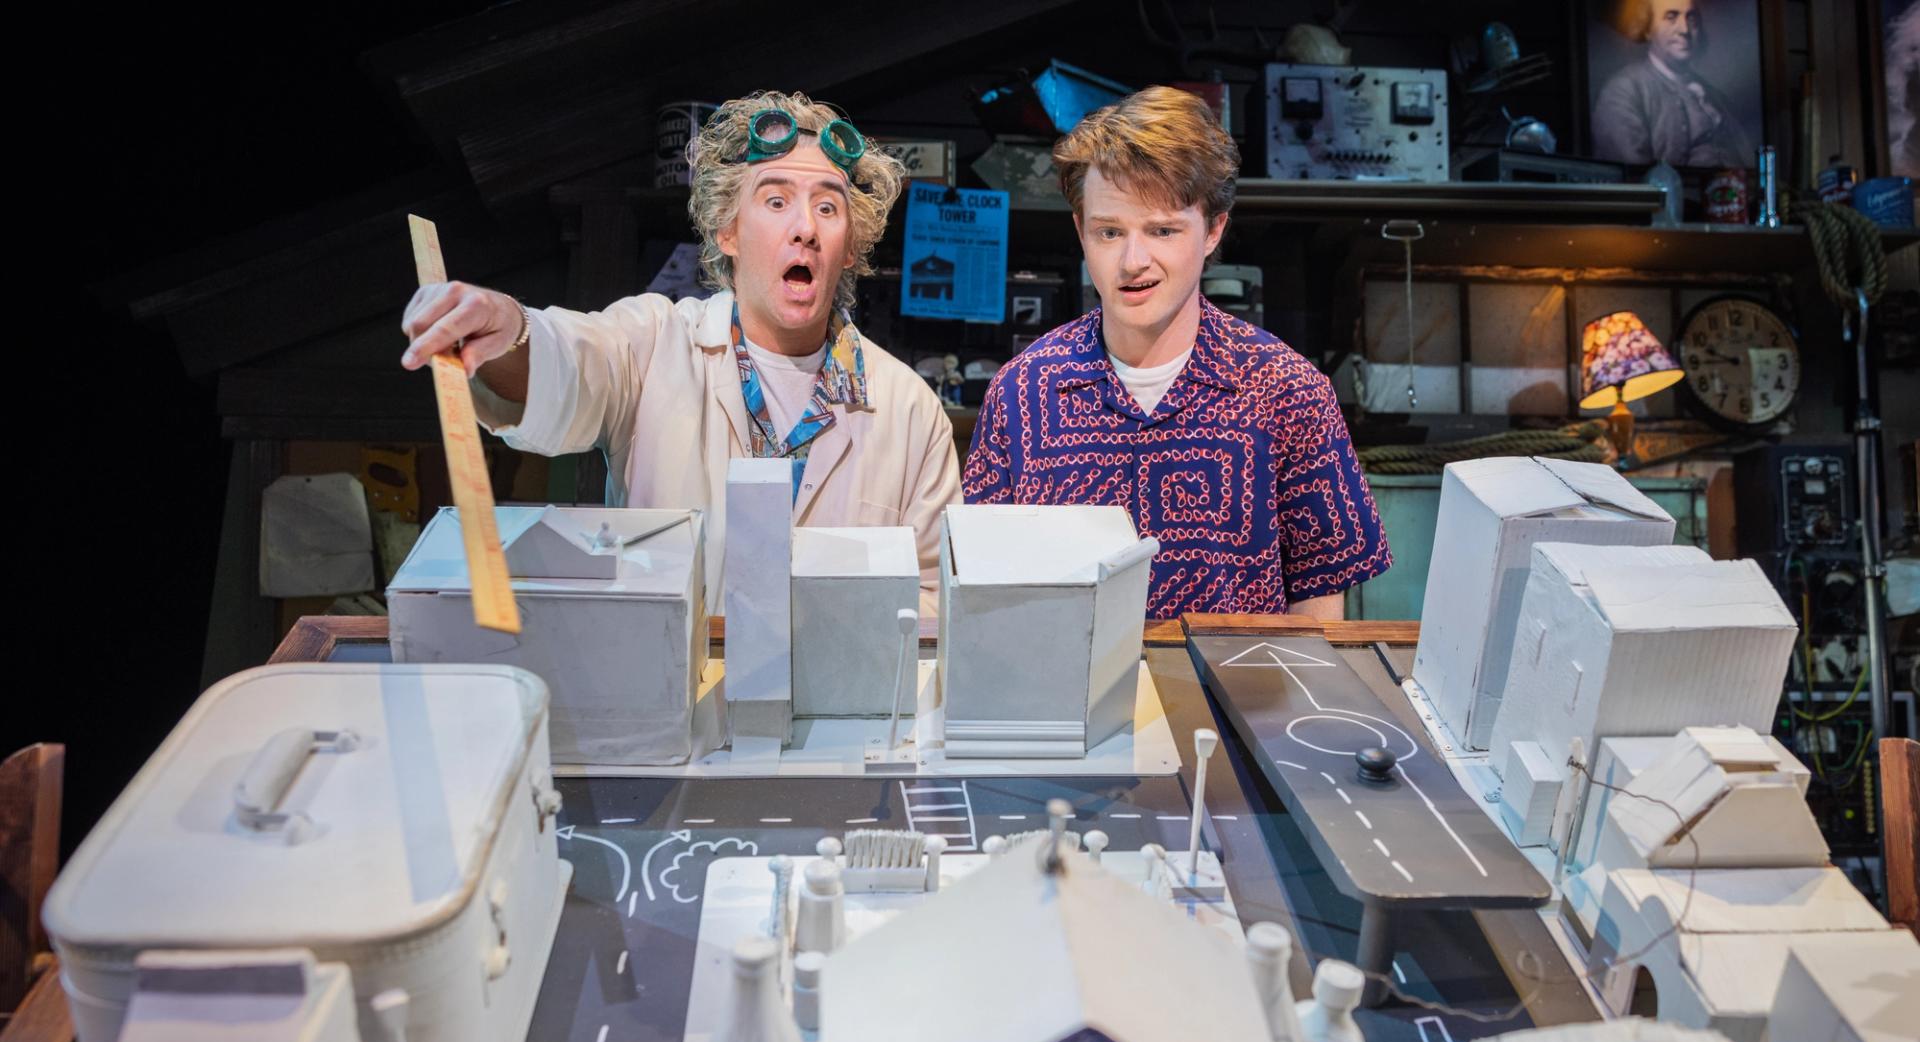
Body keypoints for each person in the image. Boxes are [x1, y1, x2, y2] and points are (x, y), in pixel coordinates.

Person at [400, 91, 961, 609]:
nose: (804, 229)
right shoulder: (653, 346)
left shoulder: (908, 410)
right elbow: (569, 362)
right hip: (674, 703)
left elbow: (937, 603)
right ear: (728, 231)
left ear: (849, 247)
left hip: (838, 714)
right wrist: (509, 329)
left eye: (828, 208)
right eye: (775, 200)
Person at [962, 86, 1389, 619]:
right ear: (1080, 230)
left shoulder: (1286, 389)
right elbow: (983, 587)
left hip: (1233, 699)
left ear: (1213, 230)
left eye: (1163, 230)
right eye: (1110, 231)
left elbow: (1322, 599)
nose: (1132, 261)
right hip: (1067, 700)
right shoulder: (1022, 391)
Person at [1592, 0, 1753, 168]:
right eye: (1671, 17)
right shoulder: (1623, 91)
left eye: (1691, 18)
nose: (1684, 29)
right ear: (1648, 29)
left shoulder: (1715, 96)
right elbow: (1634, 176)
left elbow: (1746, 159)